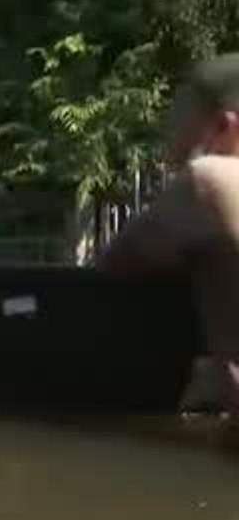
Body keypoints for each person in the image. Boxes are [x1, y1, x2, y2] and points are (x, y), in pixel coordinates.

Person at [99, 54, 239, 417]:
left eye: (182, 124)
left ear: (224, 126)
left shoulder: (210, 178)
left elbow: (116, 263)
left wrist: (185, 170)